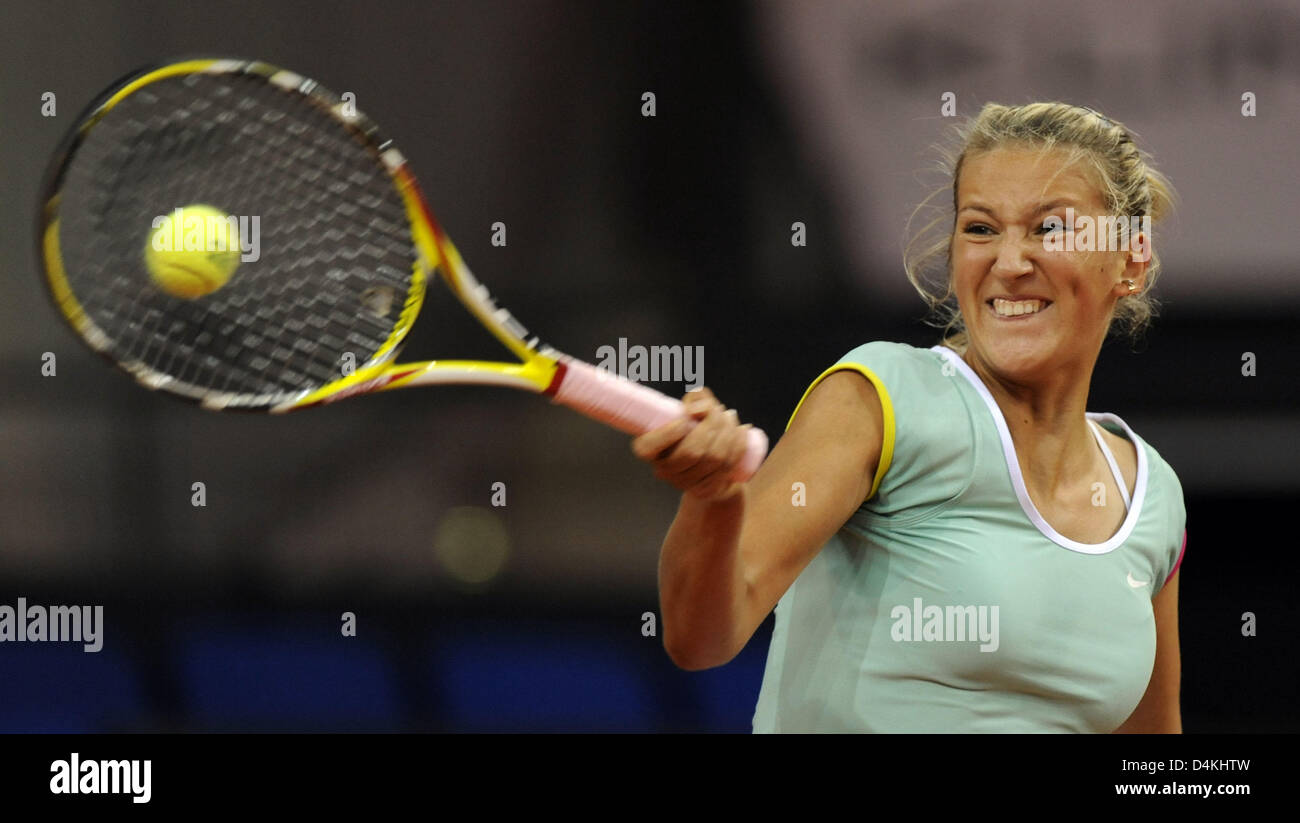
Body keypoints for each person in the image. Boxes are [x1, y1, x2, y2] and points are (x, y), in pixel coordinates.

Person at [633, 102, 1186, 733]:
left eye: (1050, 229)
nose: (1008, 262)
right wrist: (711, 499)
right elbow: (701, 638)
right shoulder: (882, 397)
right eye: (980, 229)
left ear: (1130, 261)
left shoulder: (1152, 494)